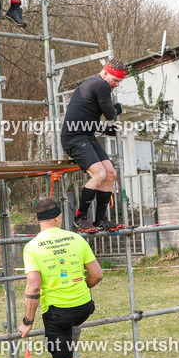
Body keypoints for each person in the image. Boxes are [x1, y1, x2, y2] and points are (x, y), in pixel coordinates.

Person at [19, 198, 103, 358]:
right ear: (58, 217)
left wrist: (27, 321)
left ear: (39, 220)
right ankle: (69, 345)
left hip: (57, 314)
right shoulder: (77, 239)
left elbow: (33, 287)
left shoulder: (32, 247)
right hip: (84, 307)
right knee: (72, 325)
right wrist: (82, 290)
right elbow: (97, 275)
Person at [61, 59, 128, 234]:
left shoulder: (94, 84)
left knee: (111, 174)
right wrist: (117, 109)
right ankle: (81, 217)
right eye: (115, 80)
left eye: (119, 81)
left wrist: (106, 130)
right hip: (74, 138)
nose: (117, 85)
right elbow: (110, 114)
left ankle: (100, 219)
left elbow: (84, 117)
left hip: (86, 135)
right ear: (105, 73)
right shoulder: (101, 84)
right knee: (99, 174)